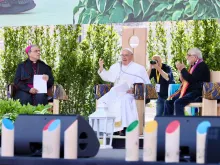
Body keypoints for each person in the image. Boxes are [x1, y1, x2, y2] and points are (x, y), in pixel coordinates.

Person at [97, 48, 151, 135]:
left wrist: (134, 89)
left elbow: (146, 83)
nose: (124, 57)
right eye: (122, 55)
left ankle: (124, 128)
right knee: (103, 101)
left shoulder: (139, 68)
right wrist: (101, 68)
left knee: (124, 100)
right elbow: (107, 77)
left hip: (130, 94)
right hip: (116, 92)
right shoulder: (116, 66)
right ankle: (110, 128)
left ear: (131, 56)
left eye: (126, 55)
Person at [164, 48, 210, 116]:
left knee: (178, 103)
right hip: (189, 91)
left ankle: (181, 124)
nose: (186, 57)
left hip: (198, 92)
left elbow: (191, 79)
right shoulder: (193, 66)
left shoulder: (202, 65)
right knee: (168, 102)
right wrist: (180, 71)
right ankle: (168, 123)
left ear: (195, 57)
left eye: (188, 55)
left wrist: (183, 69)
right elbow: (183, 80)